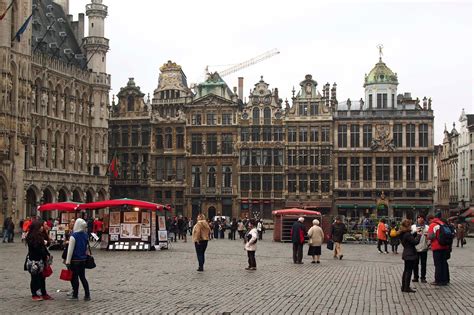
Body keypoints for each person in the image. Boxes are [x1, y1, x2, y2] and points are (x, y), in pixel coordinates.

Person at [25, 220, 53, 301]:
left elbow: (44, 248)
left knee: (42, 278)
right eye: (40, 226)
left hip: (41, 260)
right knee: (34, 278)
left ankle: (43, 293)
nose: (42, 227)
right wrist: (44, 254)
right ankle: (34, 294)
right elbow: (38, 249)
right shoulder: (32, 237)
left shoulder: (40, 236)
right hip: (34, 261)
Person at [65, 218, 91, 301]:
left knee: (74, 278)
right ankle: (87, 295)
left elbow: (70, 250)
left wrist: (67, 261)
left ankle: (75, 295)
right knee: (83, 278)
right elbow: (86, 248)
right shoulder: (85, 235)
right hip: (83, 260)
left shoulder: (74, 236)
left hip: (75, 260)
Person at [428, 212, 451, 286]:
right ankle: (445, 279)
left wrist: (427, 236)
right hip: (445, 246)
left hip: (437, 247)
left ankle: (438, 280)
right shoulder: (442, 223)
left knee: (438, 264)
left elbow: (431, 237)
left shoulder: (433, 225)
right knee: (444, 263)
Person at [399, 219, 421, 293]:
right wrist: (419, 235)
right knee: (409, 271)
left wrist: (414, 234)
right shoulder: (407, 234)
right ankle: (406, 287)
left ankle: (403, 286)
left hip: (406, 253)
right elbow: (414, 242)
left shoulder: (403, 233)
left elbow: (410, 239)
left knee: (406, 270)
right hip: (410, 254)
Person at [411, 215, 429, 283]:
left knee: (423, 264)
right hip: (415, 248)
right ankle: (415, 277)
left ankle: (423, 277)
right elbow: (410, 236)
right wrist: (415, 232)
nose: (420, 219)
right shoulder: (413, 227)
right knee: (415, 264)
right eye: (419, 218)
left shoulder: (427, 227)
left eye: (422, 218)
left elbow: (429, 236)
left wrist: (428, 242)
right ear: (417, 219)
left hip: (424, 247)